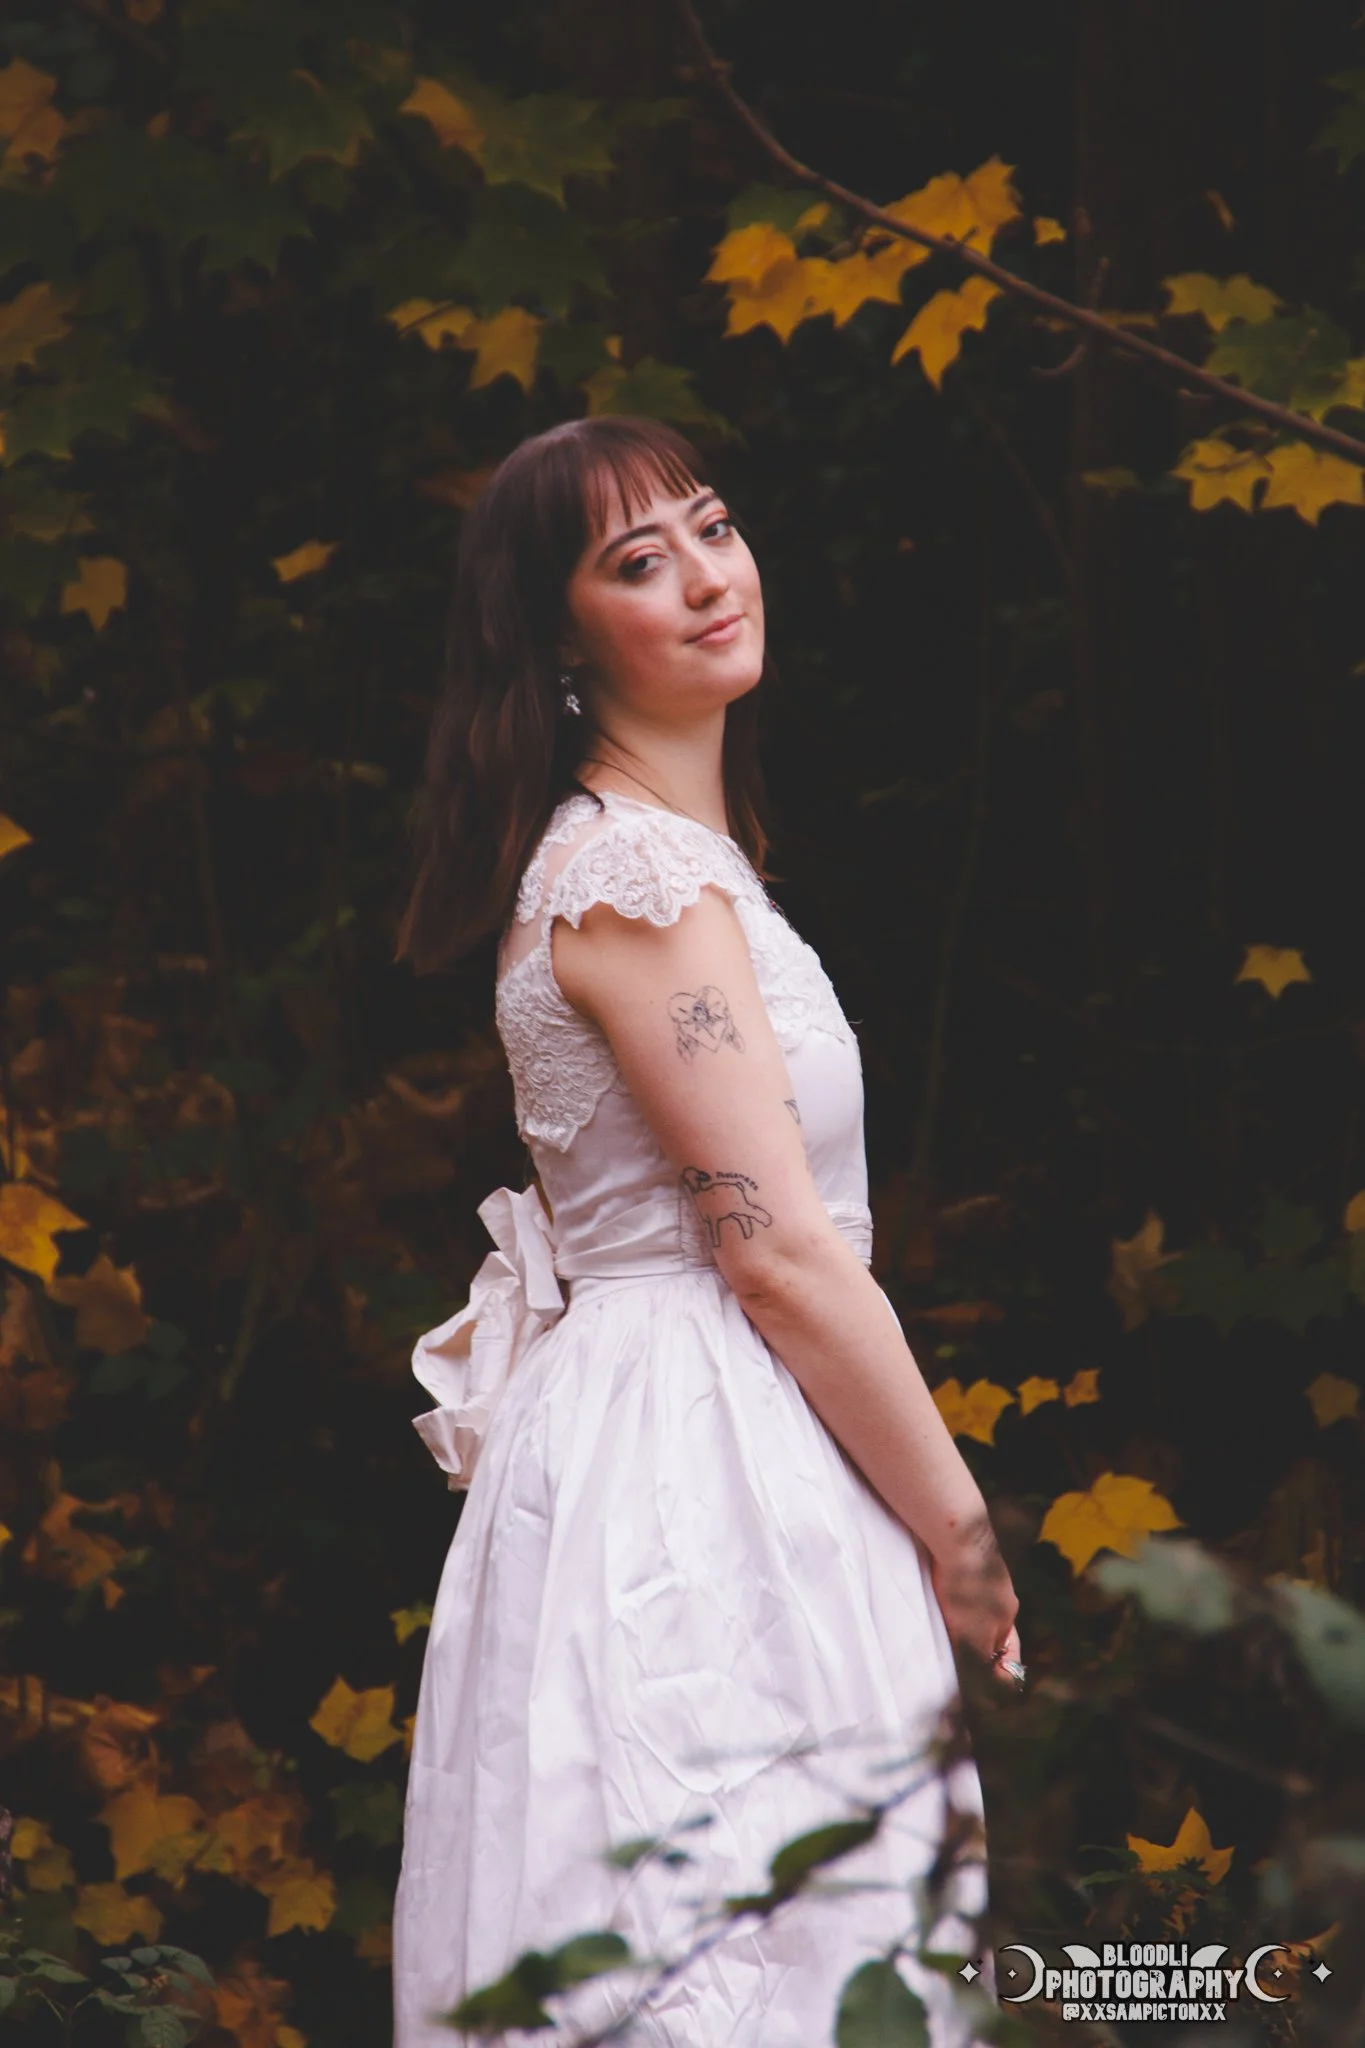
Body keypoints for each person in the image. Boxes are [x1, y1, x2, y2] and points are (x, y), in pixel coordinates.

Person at [389, 415, 1023, 2046]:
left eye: (713, 526)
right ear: (558, 643)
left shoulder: (668, 866)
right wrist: (963, 1540)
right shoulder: (639, 880)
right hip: (698, 1473)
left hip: (697, 1434)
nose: (705, 575)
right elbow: (781, 1253)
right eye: (636, 560)